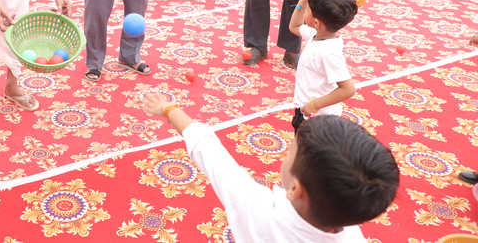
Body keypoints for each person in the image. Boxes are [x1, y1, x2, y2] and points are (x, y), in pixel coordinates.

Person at [142, 94, 399, 242]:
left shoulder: (258, 208)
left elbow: (210, 153)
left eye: (291, 151)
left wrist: (169, 109)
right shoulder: (353, 232)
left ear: (296, 189)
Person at [288, 0, 357, 133]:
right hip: (307, 111)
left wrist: (315, 105)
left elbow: (348, 89)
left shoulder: (328, 53)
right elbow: (294, 26)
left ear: (316, 22)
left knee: (307, 147)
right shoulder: (316, 35)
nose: (305, 11)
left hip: (319, 119)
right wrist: (302, 2)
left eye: (308, 10)